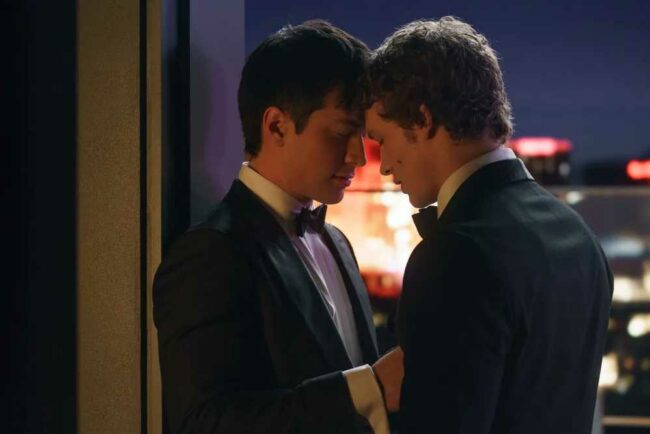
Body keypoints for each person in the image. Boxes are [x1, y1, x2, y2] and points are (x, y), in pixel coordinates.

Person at [365, 16, 613, 434]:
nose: (385, 165)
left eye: (382, 140)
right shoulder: (579, 236)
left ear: (422, 120)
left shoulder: (454, 254)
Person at [153, 20, 402, 434]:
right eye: (343, 132)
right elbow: (202, 423)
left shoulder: (337, 241)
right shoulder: (210, 253)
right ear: (276, 126)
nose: (359, 156)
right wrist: (368, 387)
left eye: (362, 135)